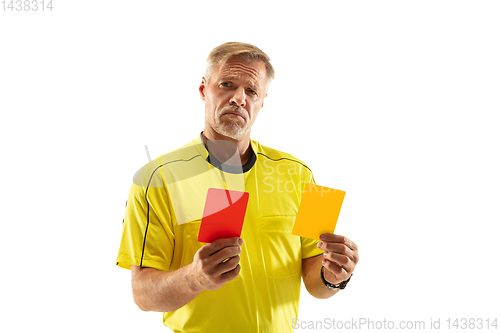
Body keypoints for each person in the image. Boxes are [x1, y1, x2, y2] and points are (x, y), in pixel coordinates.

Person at [116, 42, 359, 332]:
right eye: (227, 84)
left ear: (262, 102)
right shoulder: (155, 179)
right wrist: (195, 278)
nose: (238, 98)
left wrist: (335, 276)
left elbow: (316, 283)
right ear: (204, 89)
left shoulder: (301, 173)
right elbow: (143, 295)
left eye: (251, 91)